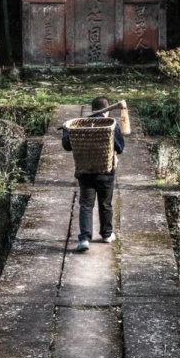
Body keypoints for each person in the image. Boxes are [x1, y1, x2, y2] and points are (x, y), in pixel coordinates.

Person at [62, 96, 125, 252]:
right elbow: (120, 148)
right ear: (107, 110)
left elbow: (67, 146)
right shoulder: (111, 125)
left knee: (86, 205)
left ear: (92, 109)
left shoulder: (80, 126)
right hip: (106, 173)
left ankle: (84, 238)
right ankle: (106, 234)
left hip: (85, 172)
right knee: (105, 204)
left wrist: (65, 130)